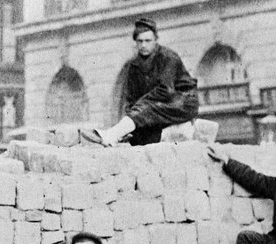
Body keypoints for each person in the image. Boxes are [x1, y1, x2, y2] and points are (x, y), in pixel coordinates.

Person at [82, 17, 198, 147]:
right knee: (138, 137)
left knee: (148, 109)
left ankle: (112, 134)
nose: (143, 45)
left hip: (182, 102)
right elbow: (131, 99)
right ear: (135, 43)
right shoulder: (134, 66)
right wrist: (132, 118)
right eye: (140, 41)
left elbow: (166, 90)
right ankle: (118, 136)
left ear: (156, 40)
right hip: (158, 107)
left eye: (148, 41)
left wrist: (141, 106)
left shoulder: (168, 57)